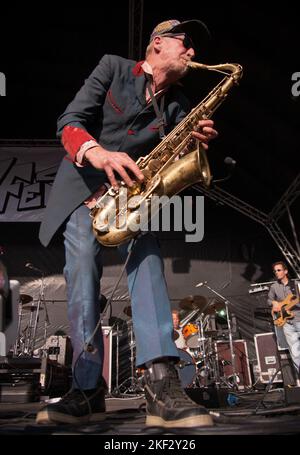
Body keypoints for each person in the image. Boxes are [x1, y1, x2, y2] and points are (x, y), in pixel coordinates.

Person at [36, 19, 218, 428]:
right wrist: (100, 155)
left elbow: (171, 162)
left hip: (133, 200)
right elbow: (70, 121)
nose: (192, 53)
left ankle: (161, 379)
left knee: (147, 257)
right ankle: (86, 389)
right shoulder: (112, 67)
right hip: (85, 191)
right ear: (157, 44)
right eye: (185, 44)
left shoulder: (179, 105)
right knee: (82, 274)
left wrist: (193, 142)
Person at [268, 261, 300, 378]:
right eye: (275, 271)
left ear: (285, 271)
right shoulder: (274, 286)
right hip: (286, 322)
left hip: (299, 318)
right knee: (295, 352)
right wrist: (274, 302)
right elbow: (269, 300)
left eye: (279, 270)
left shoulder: (295, 284)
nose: (276, 272)